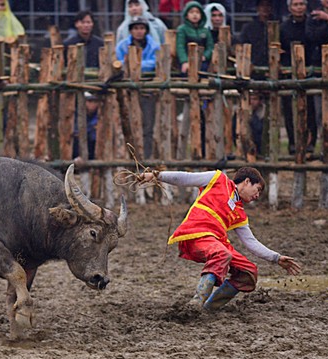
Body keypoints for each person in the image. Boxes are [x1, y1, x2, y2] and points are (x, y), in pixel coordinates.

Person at [139, 167, 301, 310]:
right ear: (246, 181)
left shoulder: (240, 213)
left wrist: (276, 258)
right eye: (257, 189)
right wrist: (156, 175)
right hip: (197, 233)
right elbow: (186, 178)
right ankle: (197, 301)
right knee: (222, 254)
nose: (257, 195)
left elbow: (251, 242)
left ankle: (209, 307)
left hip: (216, 242)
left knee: (249, 272)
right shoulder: (218, 179)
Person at [116, 16, 161, 158]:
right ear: (130, 30)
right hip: (126, 90)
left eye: (141, 28)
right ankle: (129, 157)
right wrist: (138, 65)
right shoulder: (122, 45)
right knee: (126, 125)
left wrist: (134, 63)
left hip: (147, 89)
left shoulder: (154, 46)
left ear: (146, 30)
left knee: (147, 126)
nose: (139, 31)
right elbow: (119, 62)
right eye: (136, 28)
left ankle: (146, 158)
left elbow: (155, 62)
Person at [280, 0, 317, 154]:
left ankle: (310, 143)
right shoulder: (284, 27)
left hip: (309, 71)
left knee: (310, 109)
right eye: (295, 5)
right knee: (289, 110)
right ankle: (293, 143)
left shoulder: (313, 23)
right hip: (289, 72)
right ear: (290, 8)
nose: (299, 7)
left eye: (301, 4)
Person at [176, 1, 214, 74]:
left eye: (197, 12)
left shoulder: (205, 30)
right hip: (187, 61)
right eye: (191, 12)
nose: (195, 15)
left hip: (202, 61)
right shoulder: (182, 29)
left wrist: (205, 56)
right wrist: (184, 61)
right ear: (186, 15)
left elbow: (210, 47)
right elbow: (180, 47)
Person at [238, 0, 274, 67]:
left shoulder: (279, 26)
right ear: (257, 8)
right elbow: (243, 46)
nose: (265, 8)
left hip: (274, 65)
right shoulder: (248, 28)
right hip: (254, 67)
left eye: (267, 5)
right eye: (262, 5)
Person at [72, 91, 99, 162]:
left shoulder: (99, 115)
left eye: (95, 101)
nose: (92, 104)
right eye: (89, 101)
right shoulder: (75, 114)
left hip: (93, 145)